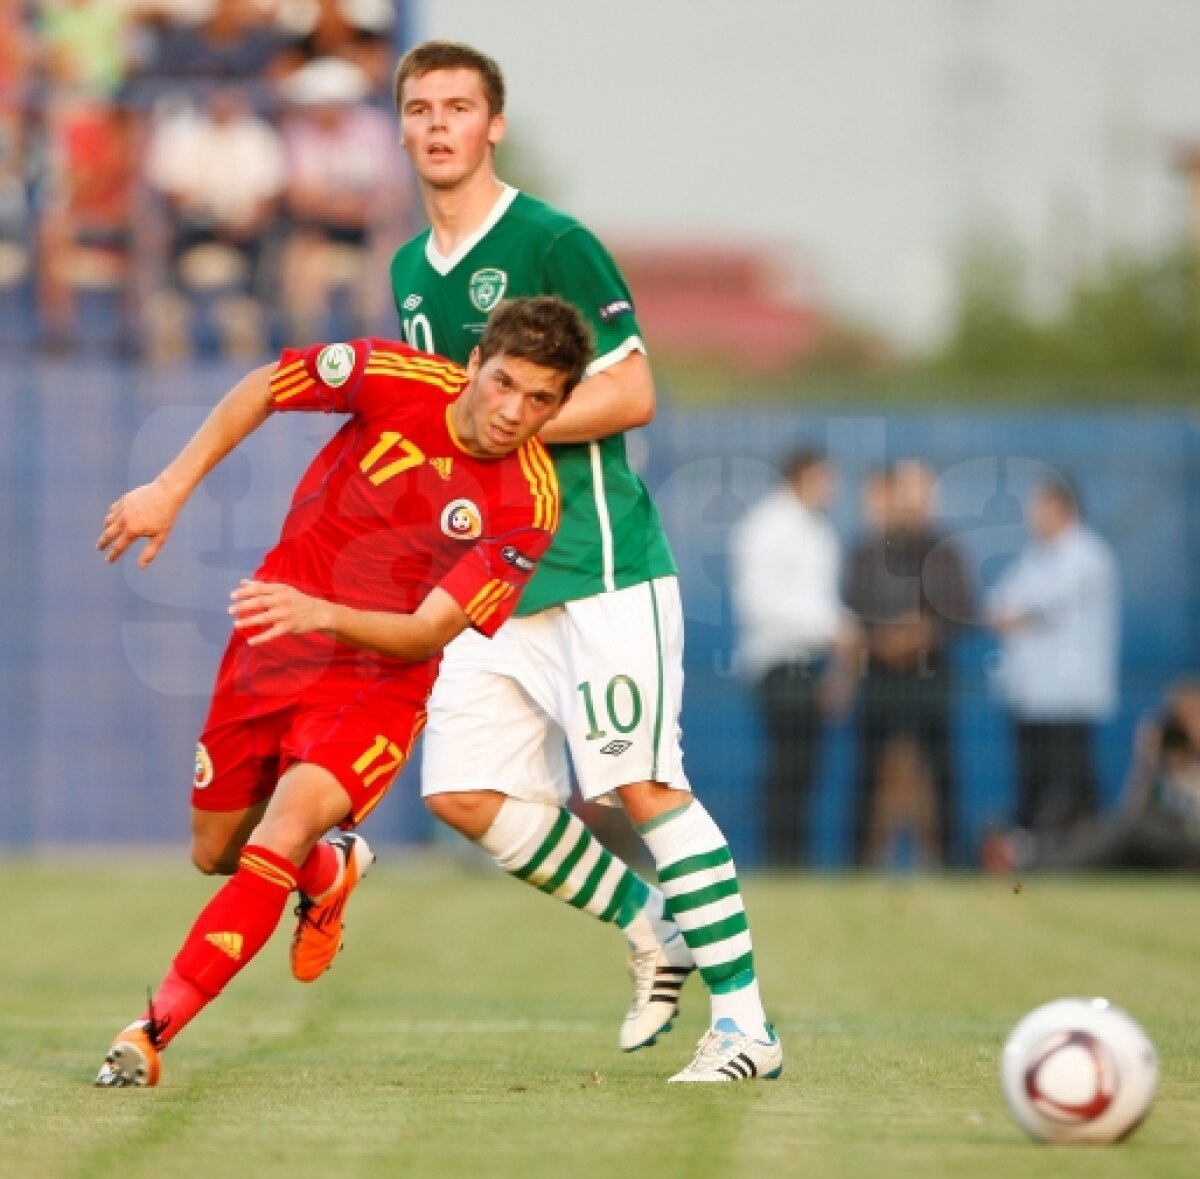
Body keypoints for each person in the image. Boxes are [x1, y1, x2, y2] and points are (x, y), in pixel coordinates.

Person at [387, 40, 782, 1083]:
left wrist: (509, 424)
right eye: (421, 108)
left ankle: (747, 1029)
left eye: (459, 108)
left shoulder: (553, 239)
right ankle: (654, 924)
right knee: (463, 791)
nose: (438, 125)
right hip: (497, 575)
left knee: (644, 787)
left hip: (598, 562)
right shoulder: (404, 270)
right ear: (403, 127)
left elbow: (635, 391)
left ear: (493, 125)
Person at [92, 295, 591, 1087]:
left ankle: (150, 1031)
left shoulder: (529, 502)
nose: (513, 412)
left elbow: (428, 631)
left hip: (376, 683)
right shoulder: (391, 374)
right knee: (215, 851)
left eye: (540, 400)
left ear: (562, 405)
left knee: (277, 833)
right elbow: (263, 385)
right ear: (474, 366)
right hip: (273, 640)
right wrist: (170, 487)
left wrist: (322, 612)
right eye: (504, 383)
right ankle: (328, 872)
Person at [730, 446, 857, 867]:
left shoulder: (818, 531)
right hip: (778, 663)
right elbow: (757, 602)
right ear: (804, 475)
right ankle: (780, 857)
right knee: (787, 765)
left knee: (805, 766)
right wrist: (828, 628)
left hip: (811, 663)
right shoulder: (767, 526)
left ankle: (793, 859)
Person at [843, 460, 973, 868]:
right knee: (868, 774)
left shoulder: (947, 553)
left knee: (939, 773)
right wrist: (885, 640)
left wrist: (922, 634)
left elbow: (962, 611)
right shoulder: (867, 551)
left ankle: (947, 861)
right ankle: (861, 864)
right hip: (879, 680)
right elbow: (852, 609)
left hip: (930, 680)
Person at [986, 475, 1120, 841]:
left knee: (1072, 781)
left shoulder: (1088, 555)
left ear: (1062, 508)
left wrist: (1016, 616)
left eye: (1038, 505)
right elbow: (998, 608)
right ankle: (1033, 854)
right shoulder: (1032, 557)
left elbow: (1029, 609)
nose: (1032, 514)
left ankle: (1085, 853)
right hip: (1031, 695)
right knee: (1033, 781)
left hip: (1069, 696)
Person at [982, 678, 1200, 872]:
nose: (1194, 724)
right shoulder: (1172, 760)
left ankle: (1032, 859)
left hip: (1190, 838)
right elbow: (1134, 808)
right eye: (1187, 716)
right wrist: (1146, 765)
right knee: (1113, 829)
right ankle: (1030, 851)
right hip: (1159, 840)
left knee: (1129, 830)